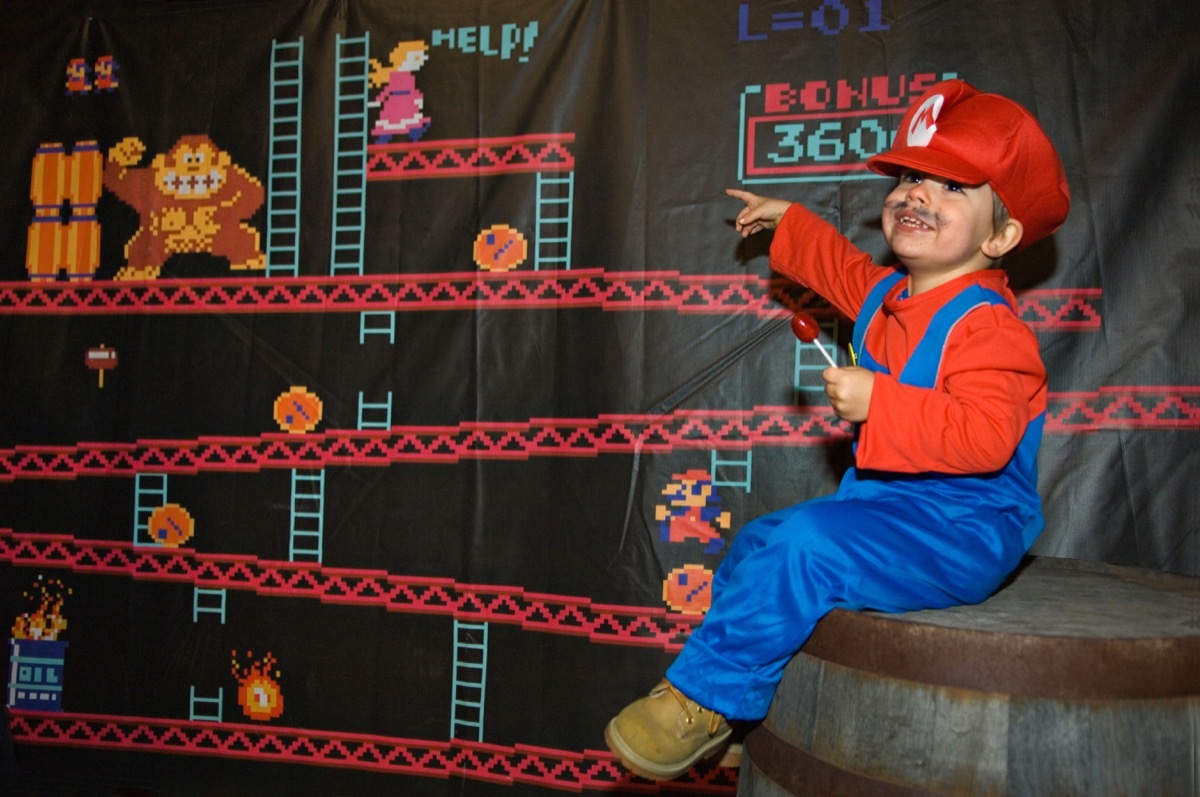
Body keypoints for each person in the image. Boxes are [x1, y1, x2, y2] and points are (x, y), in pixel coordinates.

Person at [604, 79, 1070, 781]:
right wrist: (791, 220)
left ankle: (699, 698)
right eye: (910, 176)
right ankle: (736, 705)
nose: (916, 193)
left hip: (964, 527)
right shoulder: (889, 292)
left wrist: (884, 401)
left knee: (802, 547)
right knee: (762, 539)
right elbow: (841, 269)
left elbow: (985, 437)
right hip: (880, 506)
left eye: (950, 186)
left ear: (1002, 235)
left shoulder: (990, 328)